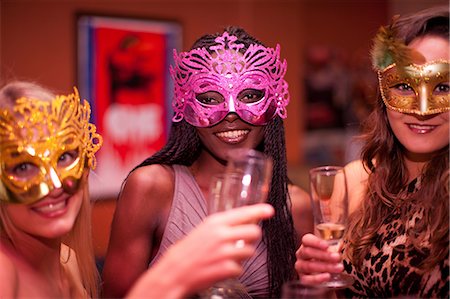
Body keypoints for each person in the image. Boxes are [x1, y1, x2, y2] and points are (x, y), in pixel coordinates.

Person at [0, 80, 276, 298]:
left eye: (63, 158)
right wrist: (172, 274)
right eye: (23, 167)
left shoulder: (66, 260)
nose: (55, 184)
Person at [102, 26, 313, 298]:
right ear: (186, 106)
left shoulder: (295, 205)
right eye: (209, 99)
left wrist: (319, 281)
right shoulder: (151, 187)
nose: (231, 114)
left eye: (249, 96)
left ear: (274, 102)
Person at [295, 6, 449, 298]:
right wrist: (315, 282)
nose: (422, 109)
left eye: (443, 87)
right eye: (404, 85)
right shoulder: (354, 184)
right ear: (383, 93)